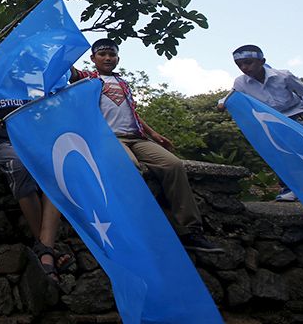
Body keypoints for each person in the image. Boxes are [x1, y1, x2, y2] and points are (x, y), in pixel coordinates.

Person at [70, 38, 223, 253]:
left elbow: (132, 113)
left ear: (118, 59)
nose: (107, 58)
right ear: (93, 58)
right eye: (102, 54)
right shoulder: (89, 79)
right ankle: (139, 226)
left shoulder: (123, 83)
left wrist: (153, 133)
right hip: (109, 138)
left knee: (173, 165)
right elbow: (69, 71)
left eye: (111, 54)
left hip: (136, 137)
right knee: (129, 167)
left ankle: (190, 229)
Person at [0, 40, 74, 282]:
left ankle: (43, 248)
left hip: (30, 142)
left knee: (55, 171)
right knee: (19, 166)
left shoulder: (25, 83)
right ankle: (47, 250)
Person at [217, 44, 303, 202]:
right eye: (239, 64)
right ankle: (291, 188)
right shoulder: (241, 82)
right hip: (274, 121)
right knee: (284, 154)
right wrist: (222, 103)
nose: (244, 67)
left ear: (262, 61)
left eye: (248, 62)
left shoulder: (283, 75)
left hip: (297, 114)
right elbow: (231, 96)